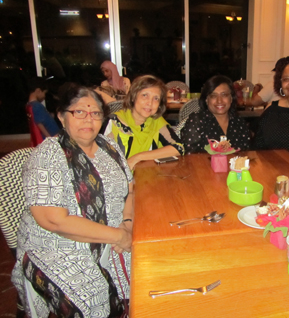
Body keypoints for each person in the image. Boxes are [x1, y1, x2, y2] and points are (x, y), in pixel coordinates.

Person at [12, 86, 134, 316]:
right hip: (58, 246)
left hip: (118, 233)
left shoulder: (110, 146)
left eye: (95, 113)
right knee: (92, 295)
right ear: (61, 115)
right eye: (79, 112)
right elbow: (54, 221)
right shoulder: (48, 156)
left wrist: (127, 224)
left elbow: (130, 191)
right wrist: (118, 236)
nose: (88, 119)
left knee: (148, 271)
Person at [104, 75, 184, 169]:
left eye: (156, 98)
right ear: (133, 96)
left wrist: (138, 157)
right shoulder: (113, 123)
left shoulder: (156, 121)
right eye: (145, 95)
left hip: (148, 177)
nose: (149, 103)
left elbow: (178, 148)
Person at [180, 75, 251, 154]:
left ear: (231, 98)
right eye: (213, 96)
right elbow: (190, 156)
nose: (219, 101)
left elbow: (246, 154)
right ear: (206, 99)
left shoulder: (239, 123)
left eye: (224, 95)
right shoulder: (197, 121)